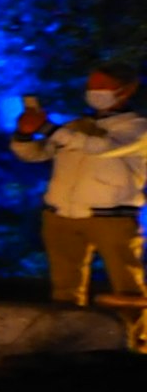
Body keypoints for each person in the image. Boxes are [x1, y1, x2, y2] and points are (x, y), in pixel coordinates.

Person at [10, 65, 147, 304]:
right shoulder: (75, 127)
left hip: (112, 218)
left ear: (126, 90)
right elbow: (36, 154)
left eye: (102, 86)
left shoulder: (137, 128)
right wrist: (24, 133)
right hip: (61, 215)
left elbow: (100, 147)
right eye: (91, 86)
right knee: (65, 289)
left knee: (127, 287)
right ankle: (71, 336)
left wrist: (46, 127)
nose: (95, 91)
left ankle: (136, 338)